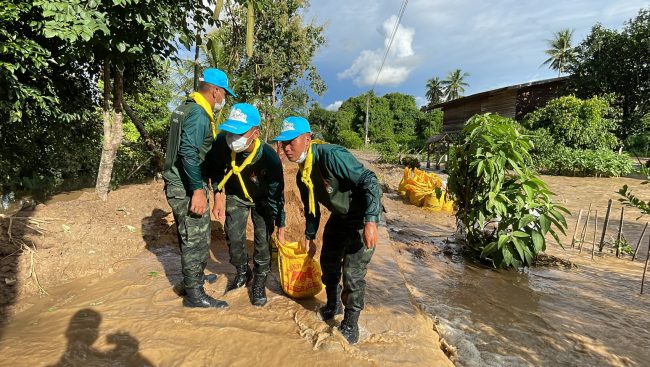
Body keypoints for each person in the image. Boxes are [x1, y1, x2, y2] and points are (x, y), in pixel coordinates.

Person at [272, 117, 383, 344]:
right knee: (329, 262)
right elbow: (311, 209)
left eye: (291, 142)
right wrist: (310, 236)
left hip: (361, 217)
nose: (287, 148)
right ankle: (333, 305)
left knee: (353, 272)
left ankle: (351, 325)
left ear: (307, 138)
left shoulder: (331, 156)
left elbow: (370, 180)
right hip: (340, 217)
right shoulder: (302, 175)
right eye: (283, 144)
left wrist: (371, 221)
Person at [162, 68, 235, 309]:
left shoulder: (185, 107)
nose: (224, 99)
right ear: (216, 91)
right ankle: (195, 295)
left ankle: (191, 279)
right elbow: (188, 152)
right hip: (185, 185)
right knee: (197, 238)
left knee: (188, 235)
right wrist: (198, 190)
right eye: (224, 93)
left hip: (177, 181)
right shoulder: (199, 115)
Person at [207, 103, 286, 307]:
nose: (233, 138)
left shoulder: (269, 158)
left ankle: (260, 280)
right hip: (236, 195)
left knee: (262, 241)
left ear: (256, 133)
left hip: (262, 200)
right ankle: (243, 272)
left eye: (239, 133)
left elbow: (278, 194)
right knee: (233, 236)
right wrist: (217, 196)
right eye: (230, 131)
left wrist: (281, 224)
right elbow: (215, 169)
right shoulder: (222, 143)